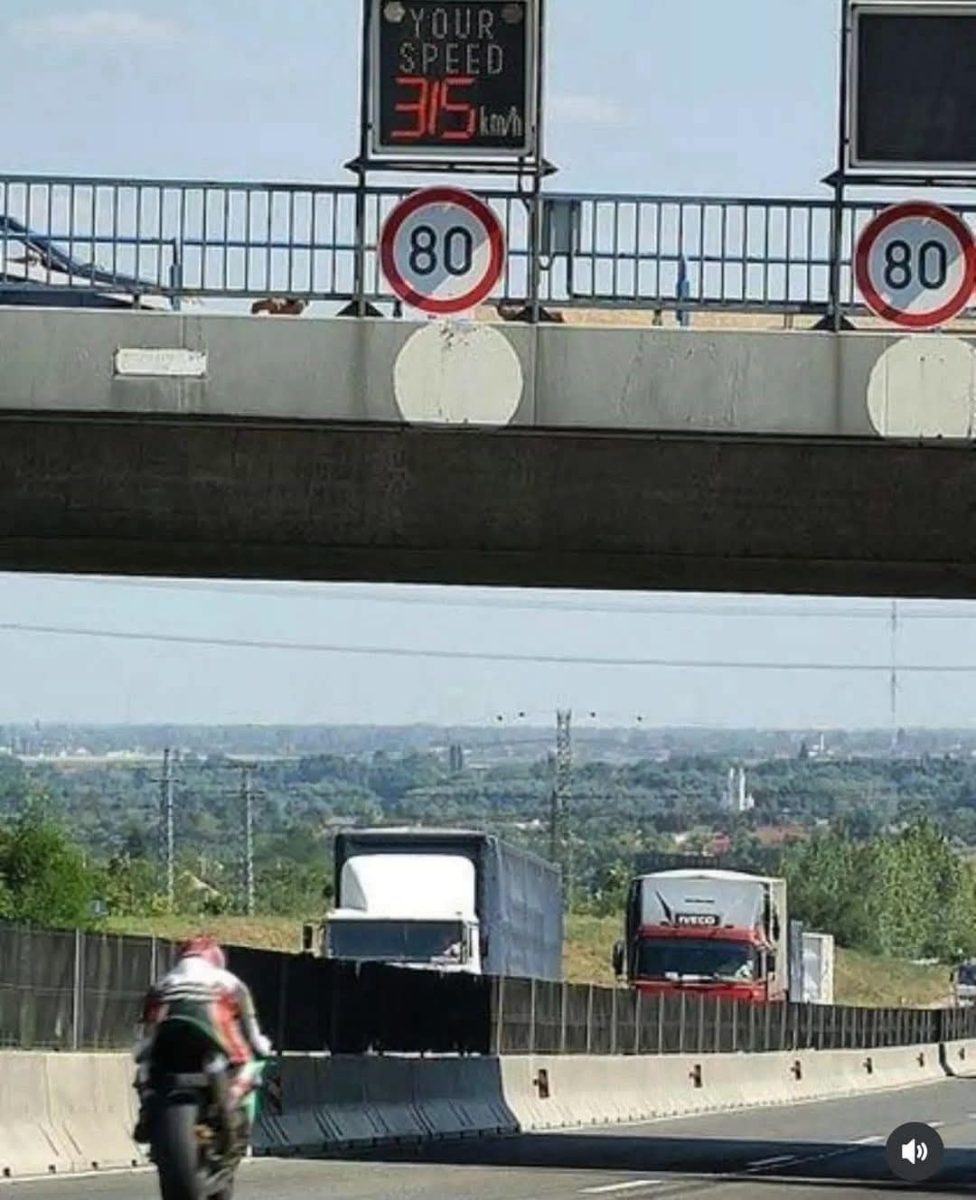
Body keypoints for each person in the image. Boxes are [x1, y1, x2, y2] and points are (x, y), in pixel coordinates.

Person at [132, 936, 272, 1147]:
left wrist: (143, 1052)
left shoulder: (164, 981)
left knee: (145, 1069)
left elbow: (149, 1029)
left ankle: (146, 1111)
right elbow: (251, 1027)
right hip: (211, 1028)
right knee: (248, 1064)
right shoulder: (226, 979)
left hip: (169, 1033)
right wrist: (259, 1043)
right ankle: (230, 1103)